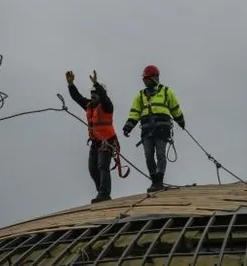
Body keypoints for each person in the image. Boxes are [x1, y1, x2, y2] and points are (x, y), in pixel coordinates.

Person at [122, 64, 185, 192]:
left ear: (154, 78)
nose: (144, 81)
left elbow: (175, 108)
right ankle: (154, 180)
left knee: (160, 154)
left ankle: (159, 180)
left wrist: (180, 120)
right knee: (148, 155)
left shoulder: (167, 92)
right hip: (146, 130)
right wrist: (128, 126)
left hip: (162, 128)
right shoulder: (140, 95)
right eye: (144, 79)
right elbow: (135, 112)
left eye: (146, 78)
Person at [66, 69, 118, 203]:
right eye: (92, 94)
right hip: (95, 143)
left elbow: (105, 98)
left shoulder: (107, 106)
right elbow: (77, 97)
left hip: (108, 142)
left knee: (102, 166)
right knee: (92, 169)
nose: (93, 96)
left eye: (95, 94)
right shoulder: (89, 106)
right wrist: (71, 85)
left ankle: (104, 193)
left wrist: (97, 84)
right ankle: (100, 191)